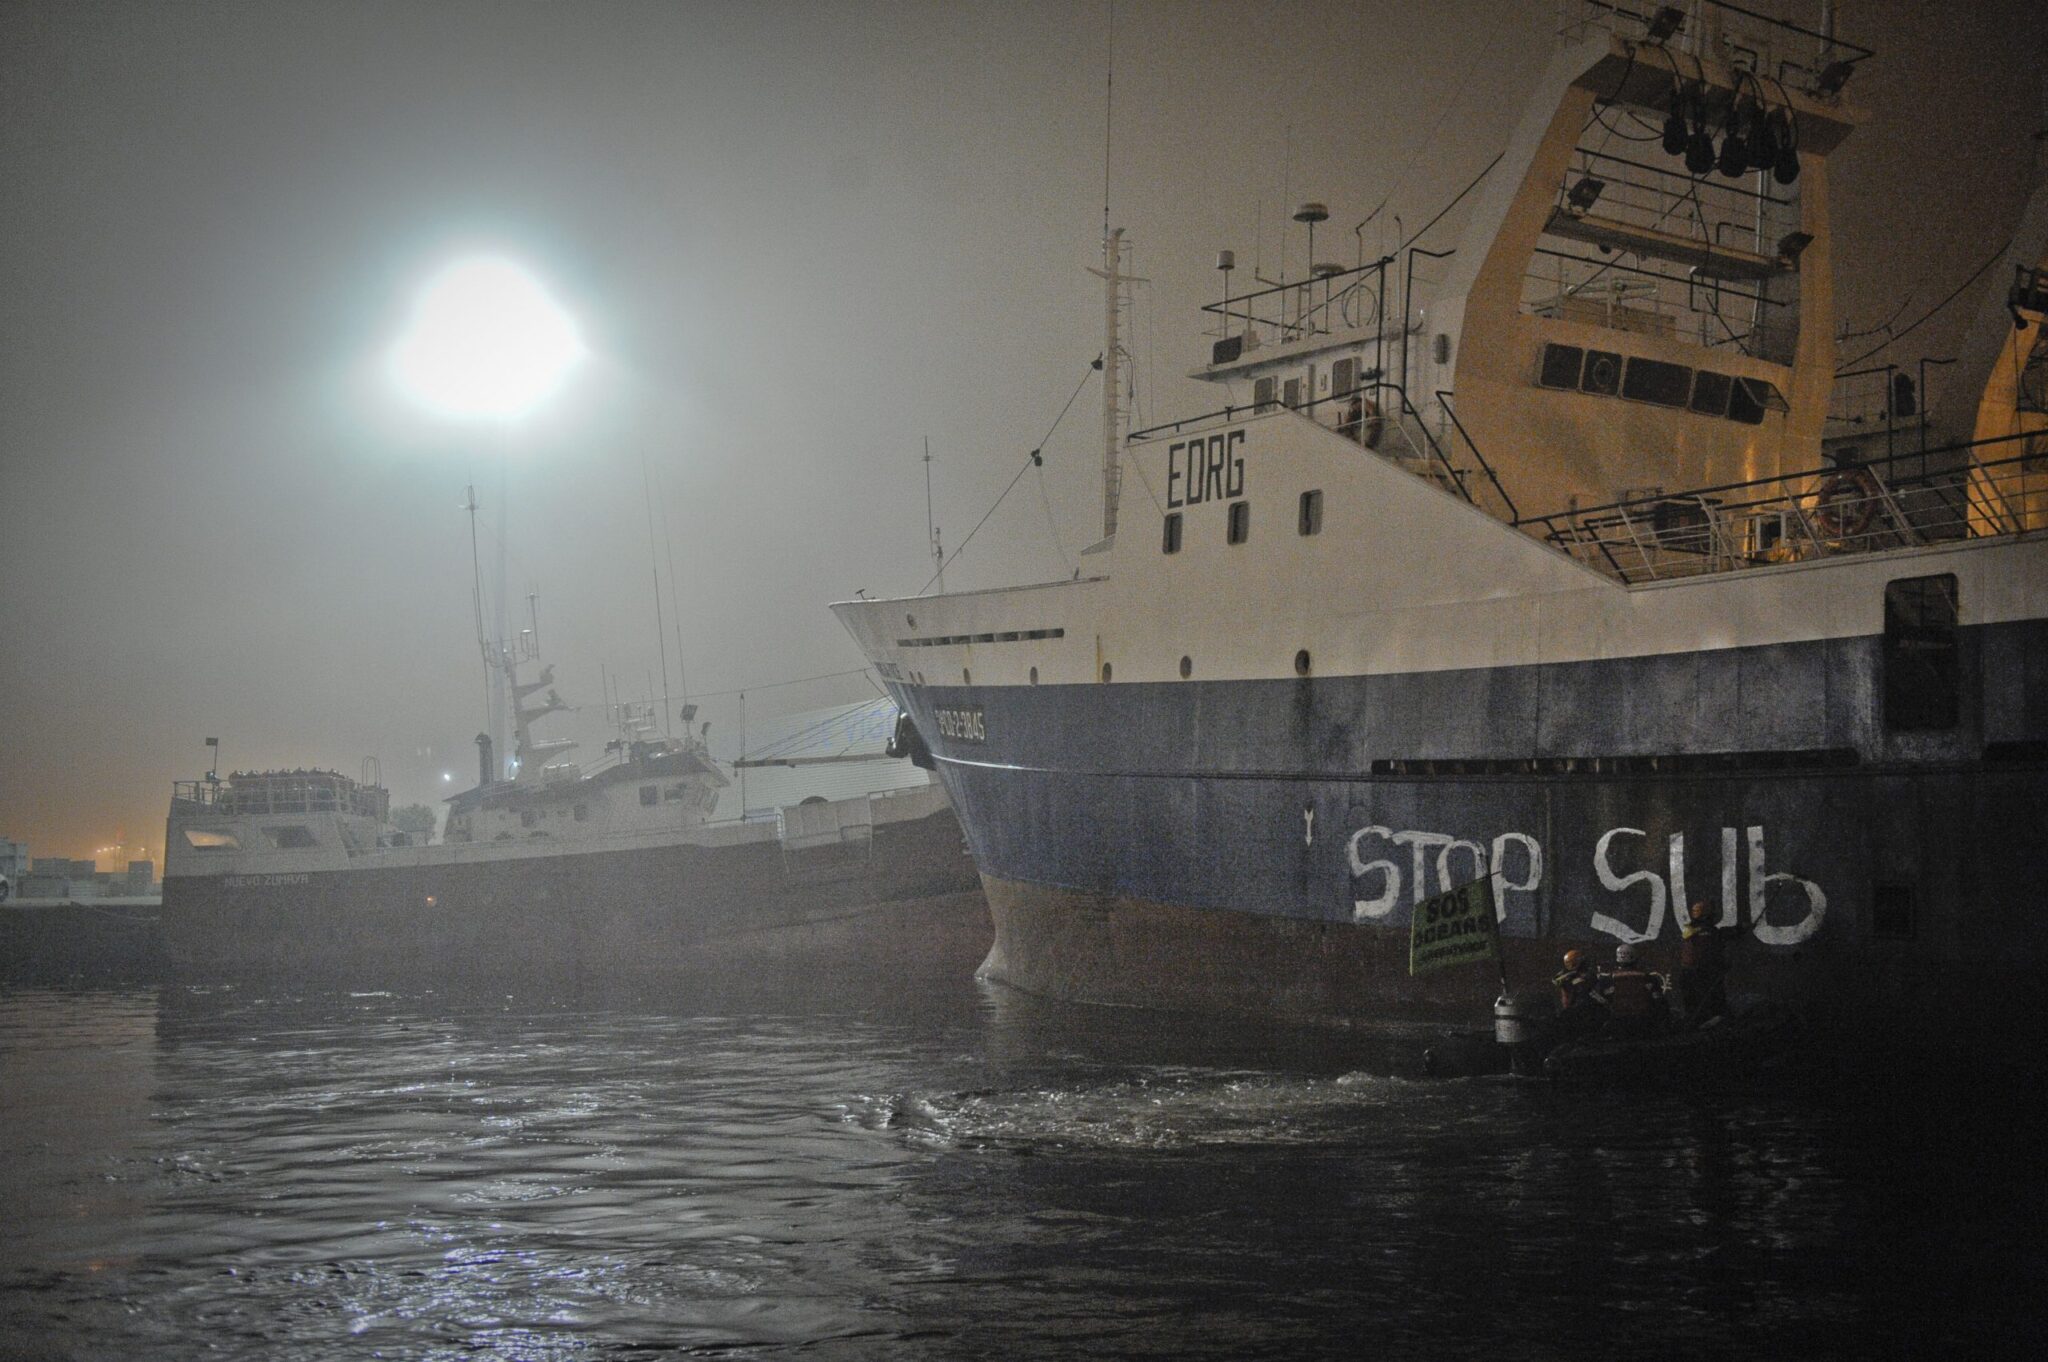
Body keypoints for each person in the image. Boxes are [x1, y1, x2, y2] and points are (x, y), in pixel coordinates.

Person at [1677, 900, 1734, 1027]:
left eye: (1697, 911)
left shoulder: (1694, 930)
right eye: (1694, 910)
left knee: (1698, 1003)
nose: (1694, 913)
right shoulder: (1704, 931)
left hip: (1693, 972)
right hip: (1701, 972)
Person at [1595, 941, 1668, 1040]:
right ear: (1636, 958)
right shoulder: (1649, 978)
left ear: (1617, 959)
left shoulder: (1607, 980)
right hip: (1644, 1026)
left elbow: (1600, 1003)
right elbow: (1660, 1003)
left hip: (1617, 1026)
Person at [1550, 948, 1601, 1041]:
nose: (1570, 966)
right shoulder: (1568, 972)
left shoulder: (1588, 972)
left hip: (1586, 1003)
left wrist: (1573, 979)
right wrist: (1569, 975)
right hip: (1573, 1003)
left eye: (1572, 963)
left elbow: (1584, 981)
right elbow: (1555, 980)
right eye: (1568, 964)